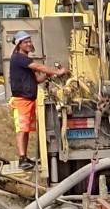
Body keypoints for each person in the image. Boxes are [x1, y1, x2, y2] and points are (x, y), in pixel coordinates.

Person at [7, 32, 66, 165]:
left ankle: (25, 157)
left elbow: (36, 80)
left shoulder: (23, 60)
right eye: (25, 42)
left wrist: (48, 76)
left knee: (26, 130)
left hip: (28, 100)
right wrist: (57, 72)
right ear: (18, 44)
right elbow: (38, 67)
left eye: (29, 41)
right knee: (21, 129)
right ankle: (22, 159)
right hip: (21, 100)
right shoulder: (19, 58)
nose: (29, 44)